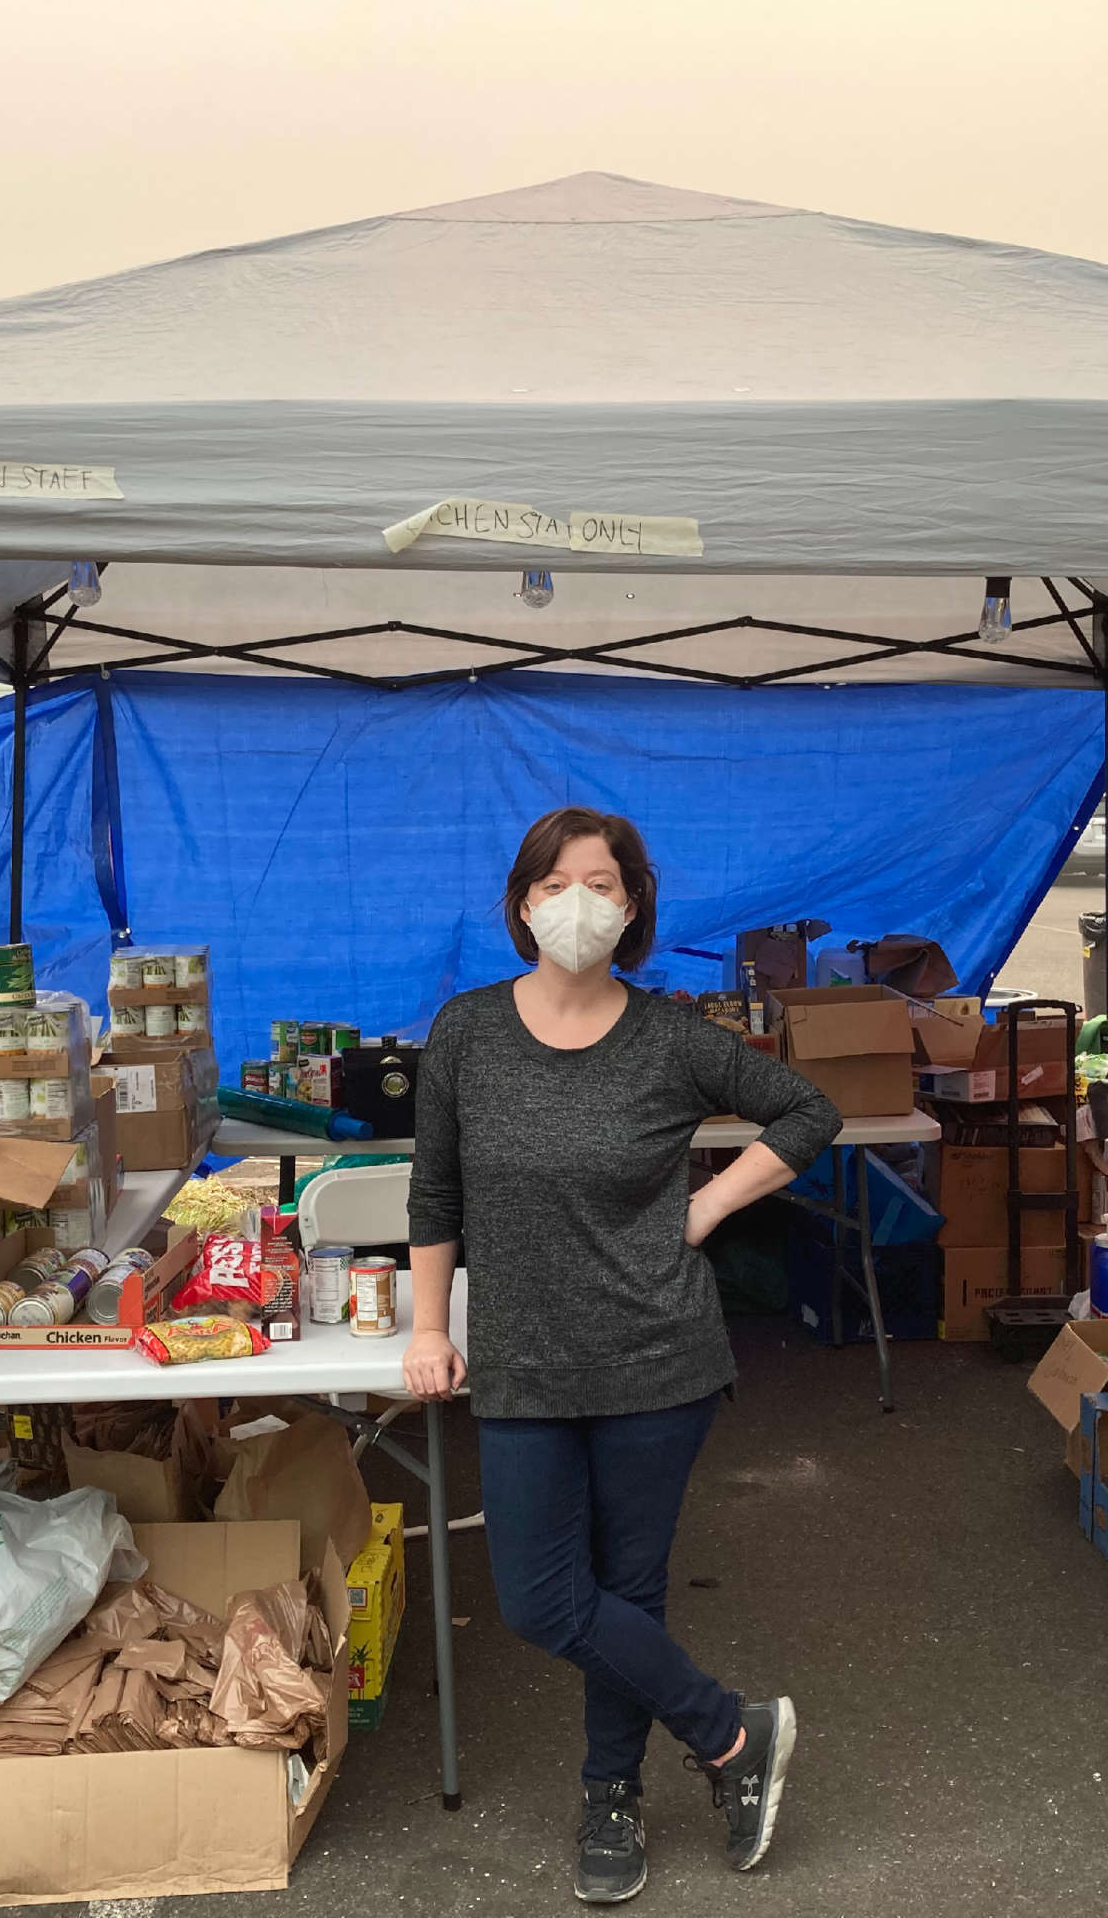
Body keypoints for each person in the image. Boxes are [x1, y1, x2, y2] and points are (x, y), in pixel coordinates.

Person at [402, 806, 841, 1904]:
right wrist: (423, 1325)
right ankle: (731, 1735)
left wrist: (702, 1210)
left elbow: (805, 1111)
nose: (576, 904)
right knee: (540, 1599)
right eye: (553, 885)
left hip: (656, 1354)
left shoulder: (670, 1038)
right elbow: (435, 1190)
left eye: (599, 884)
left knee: (627, 1593)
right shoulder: (465, 1031)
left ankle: (610, 1796)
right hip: (521, 1359)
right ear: (519, 904)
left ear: (634, 905)